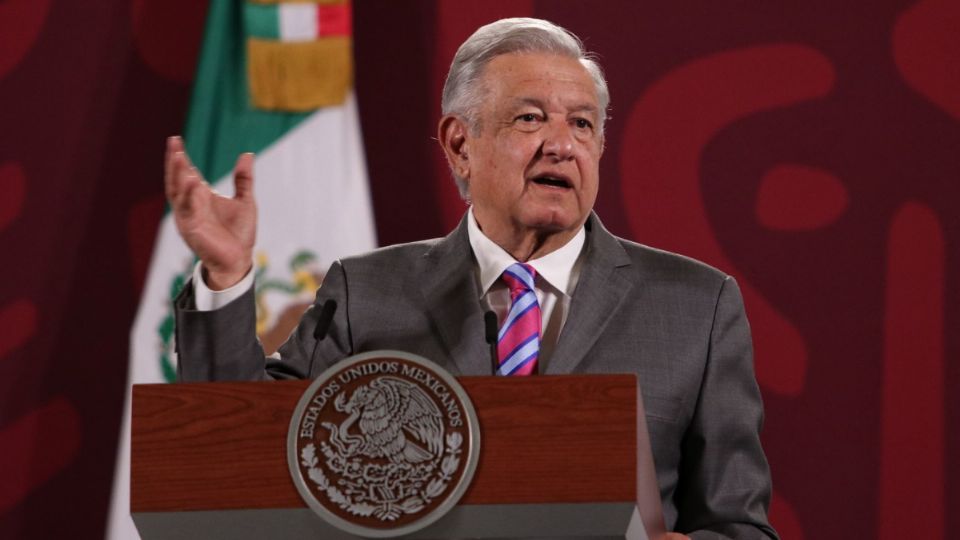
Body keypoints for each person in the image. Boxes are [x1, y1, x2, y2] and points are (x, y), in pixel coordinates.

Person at [166, 18, 777, 539]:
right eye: (531, 119)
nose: (563, 146)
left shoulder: (696, 307)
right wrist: (226, 275)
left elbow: (739, 524)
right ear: (460, 144)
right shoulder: (366, 293)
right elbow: (242, 454)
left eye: (584, 125)